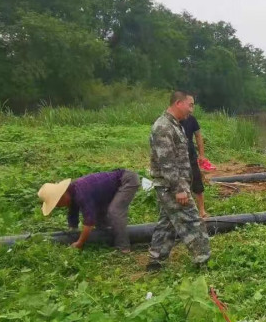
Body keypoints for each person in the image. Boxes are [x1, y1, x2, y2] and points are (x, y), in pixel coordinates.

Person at [146, 91, 210, 271]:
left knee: (167, 224)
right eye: (190, 105)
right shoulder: (163, 127)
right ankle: (203, 261)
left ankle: (155, 261)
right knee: (192, 221)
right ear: (178, 103)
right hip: (171, 186)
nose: (192, 109)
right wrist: (179, 189)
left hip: (176, 184)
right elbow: (167, 163)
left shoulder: (176, 125)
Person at [38, 170, 140, 252]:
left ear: (62, 197)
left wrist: (80, 242)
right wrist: (72, 231)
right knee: (100, 217)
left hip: (127, 180)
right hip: (108, 191)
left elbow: (89, 222)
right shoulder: (72, 192)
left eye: (59, 204)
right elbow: (73, 213)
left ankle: (123, 247)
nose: (61, 206)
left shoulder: (81, 193)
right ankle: (109, 237)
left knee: (114, 211)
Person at [180, 111, 209, 218]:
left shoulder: (192, 119)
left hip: (191, 154)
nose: (191, 109)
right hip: (178, 157)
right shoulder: (172, 121)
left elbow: (198, 136)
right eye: (189, 105)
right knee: (181, 183)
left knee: (197, 182)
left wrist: (201, 155)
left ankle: (202, 210)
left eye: (192, 105)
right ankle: (184, 211)